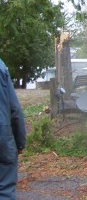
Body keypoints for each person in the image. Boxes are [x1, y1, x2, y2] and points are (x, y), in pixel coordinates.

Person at [0, 59, 26, 200]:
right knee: (4, 190)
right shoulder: (1, 67)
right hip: (2, 138)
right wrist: (20, 141)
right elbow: (15, 110)